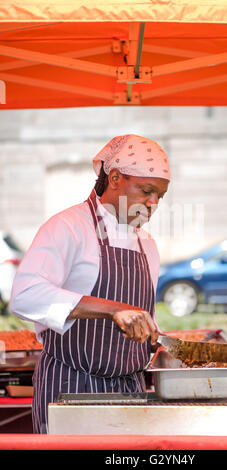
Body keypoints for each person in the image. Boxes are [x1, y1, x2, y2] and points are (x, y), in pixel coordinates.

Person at [10, 134, 170, 433]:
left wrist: (161, 341)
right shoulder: (67, 227)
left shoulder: (147, 244)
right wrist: (112, 309)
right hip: (71, 386)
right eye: (146, 190)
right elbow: (25, 295)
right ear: (115, 178)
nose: (153, 203)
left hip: (130, 390)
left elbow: (142, 319)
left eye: (160, 195)